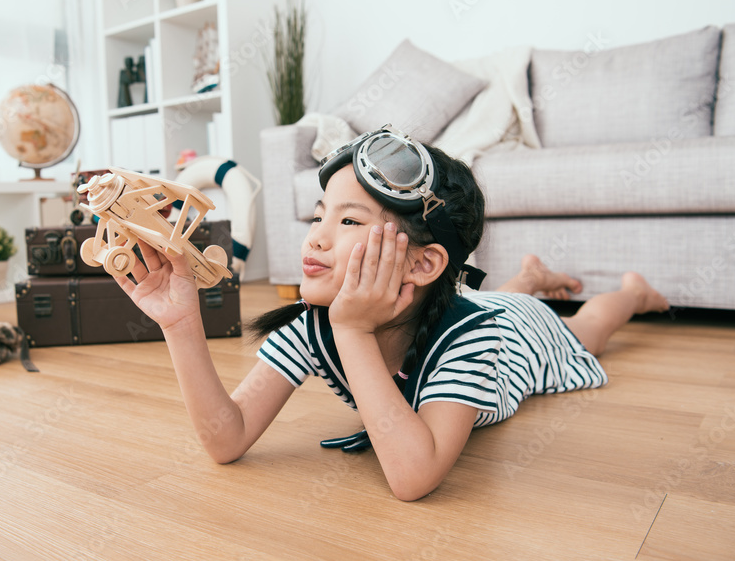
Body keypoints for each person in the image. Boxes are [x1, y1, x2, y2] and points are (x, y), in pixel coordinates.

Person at [116, 125, 669, 501]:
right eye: (318, 217)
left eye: (350, 223)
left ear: (424, 263)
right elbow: (225, 439)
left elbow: (413, 476)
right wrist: (181, 323)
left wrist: (354, 330)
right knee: (508, 292)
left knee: (586, 328)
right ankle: (529, 275)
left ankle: (632, 293)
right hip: (455, 297)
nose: (318, 240)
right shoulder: (315, 324)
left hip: (516, 331)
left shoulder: (471, 339)